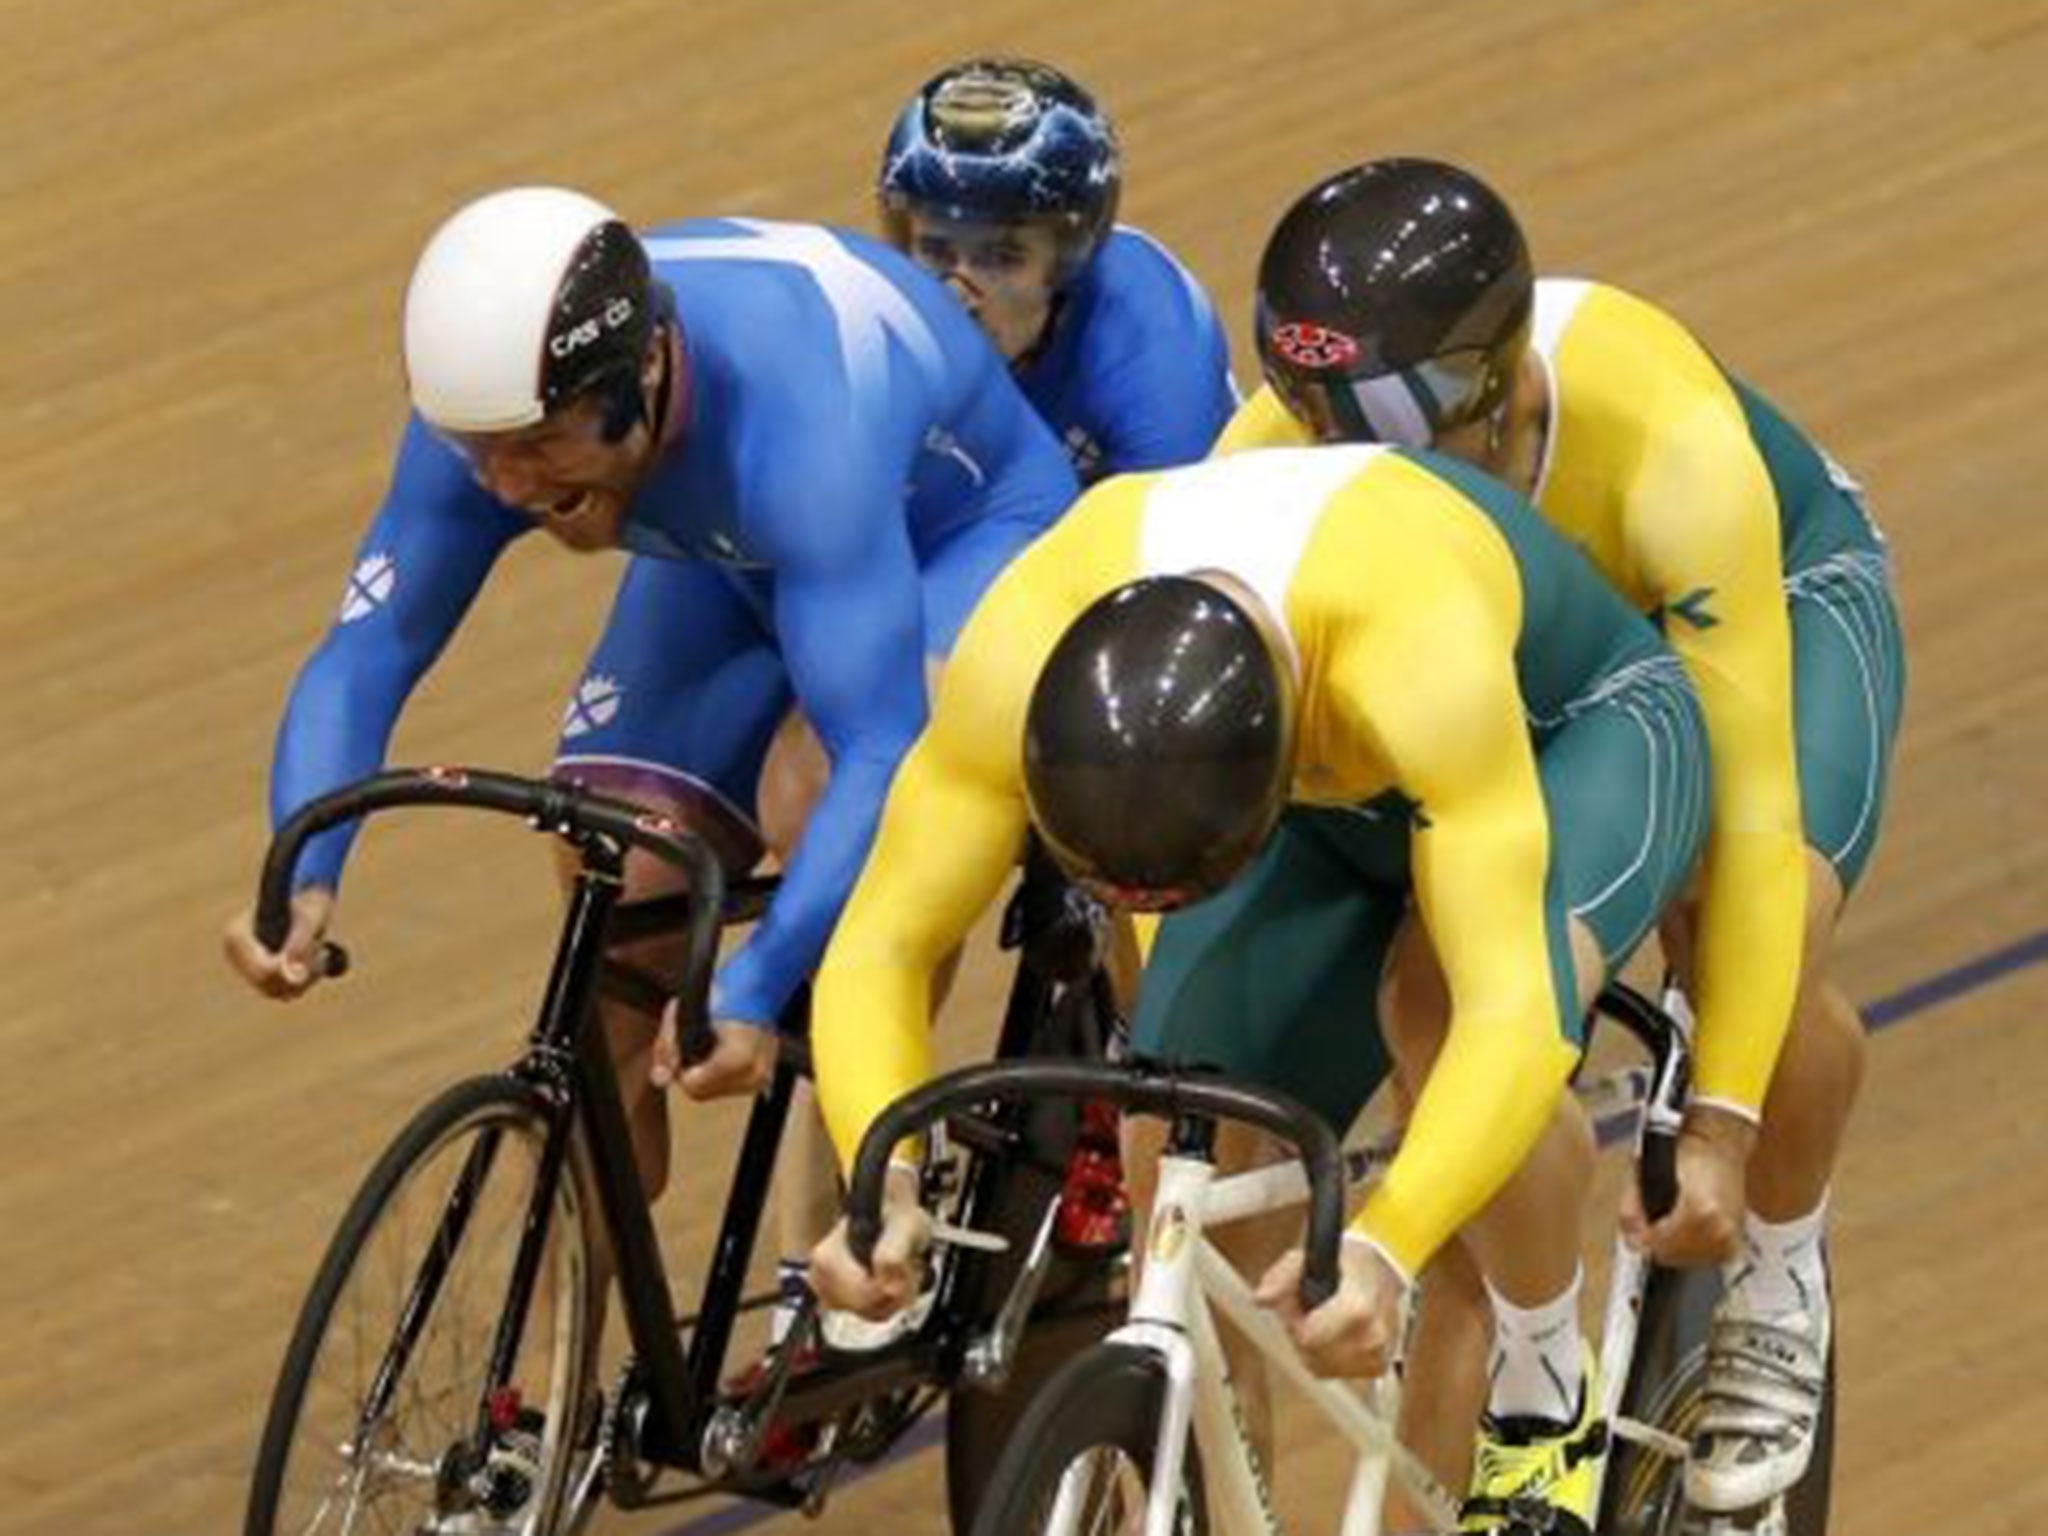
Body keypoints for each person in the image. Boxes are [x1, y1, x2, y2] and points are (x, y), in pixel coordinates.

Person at [805, 443, 1711, 1536]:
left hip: (1569, 737)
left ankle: (1542, 1385)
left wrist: (1388, 1239)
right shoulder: (1025, 647)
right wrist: (883, 1175)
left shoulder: (1409, 650)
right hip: (1317, 796)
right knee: (1172, 1122)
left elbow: (1508, 1020)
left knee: (1436, 1010)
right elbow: (880, 949)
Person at [220, 187, 1081, 1313]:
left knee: (813, 794)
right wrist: (304, 873)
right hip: (724, 545)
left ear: (641, 378)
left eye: (536, 450)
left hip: (954, 536)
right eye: (480, 454)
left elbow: (879, 747)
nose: (508, 489)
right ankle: (567, 1384)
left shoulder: (798, 428)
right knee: (611, 872)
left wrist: (756, 983)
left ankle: (873, 1192)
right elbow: (364, 651)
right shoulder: (493, 418)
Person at [1232, 157, 1907, 1516]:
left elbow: (1760, 807)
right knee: (1444, 998)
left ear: (1493, 393)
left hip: (1763, 601)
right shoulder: (1279, 453)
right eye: (1321, 424)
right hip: (1545, 663)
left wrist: (1718, 1124)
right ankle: (1527, 1392)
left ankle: (1779, 1267)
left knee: (1740, 936)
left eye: (1379, 426)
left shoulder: (1667, 444)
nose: (1340, 454)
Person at [878, 56, 1236, 483]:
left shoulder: (1152, 361)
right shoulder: (877, 321)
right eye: (935, 250)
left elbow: (1182, 541)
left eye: (1001, 257)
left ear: (1069, 260)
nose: (959, 295)